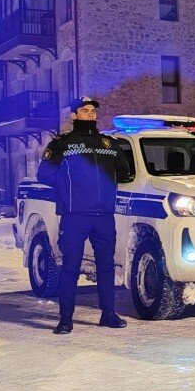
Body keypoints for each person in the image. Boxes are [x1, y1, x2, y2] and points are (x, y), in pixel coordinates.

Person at [37, 97, 131, 334]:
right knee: (70, 267)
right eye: (84, 111)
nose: (90, 114)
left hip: (103, 215)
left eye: (92, 111)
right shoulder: (62, 144)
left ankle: (108, 314)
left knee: (106, 267)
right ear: (73, 116)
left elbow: (125, 173)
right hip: (75, 215)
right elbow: (44, 175)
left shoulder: (109, 143)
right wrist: (71, 186)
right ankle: (66, 319)